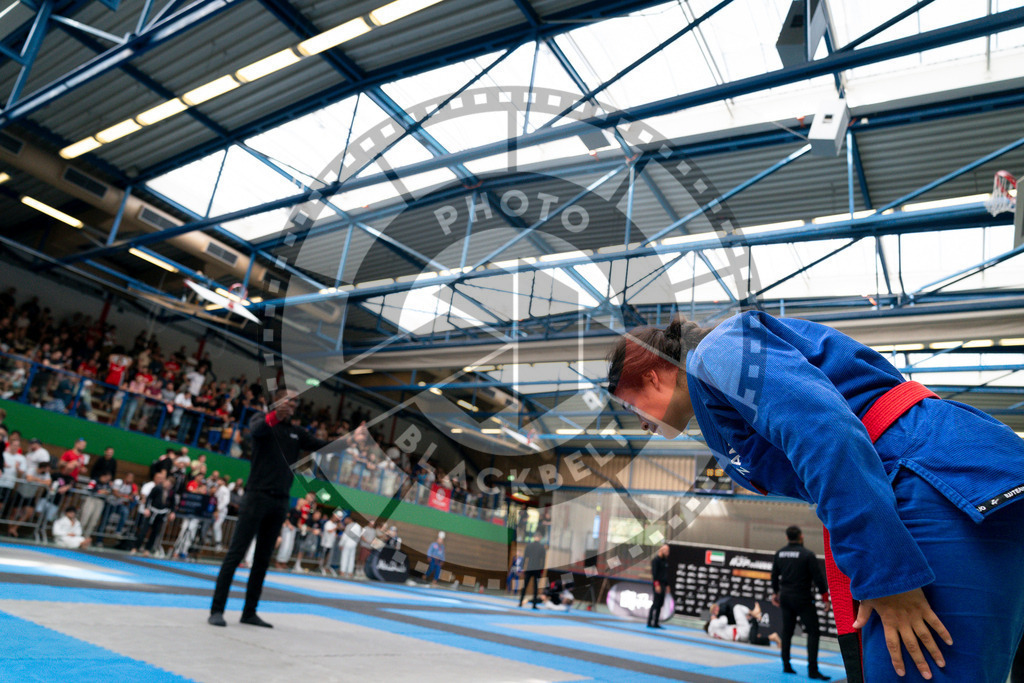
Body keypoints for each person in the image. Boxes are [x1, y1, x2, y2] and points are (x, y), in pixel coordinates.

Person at [607, 312, 1024, 682]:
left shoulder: (719, 349)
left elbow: (824, 432)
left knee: (915, 664)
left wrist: (886, 574)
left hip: (935, 476)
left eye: (630, 406)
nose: (638, 423)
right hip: (958, 479)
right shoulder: (715, 403)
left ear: (651, 376)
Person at [208, 388, 366, 628]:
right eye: (288, 400)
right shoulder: (262, 421)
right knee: (236, 554)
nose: (292, 404)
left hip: (280, 500)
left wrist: (351, 440)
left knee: (263, 559)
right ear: (276, 401)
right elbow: (256, 431)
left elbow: (323, 446)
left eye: (295, 402)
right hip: (256, 496)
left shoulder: (296, 432)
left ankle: (249, 612)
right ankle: (217, 610)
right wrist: (274, 416)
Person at [771, 526, 829, 679]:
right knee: (813, 632)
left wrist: (775, 593)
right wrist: (825, 598)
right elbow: (818, 578)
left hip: (786, 597)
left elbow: (774, 576)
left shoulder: (780, 553)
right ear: (801, 536)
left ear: (787, 537)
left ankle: (786, 665)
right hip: (802, 598)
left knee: (787, 632)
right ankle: (813, 670)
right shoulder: (807, 554)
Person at [706, 601, 781, 647]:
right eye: (714, 611)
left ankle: (754, 614)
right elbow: (724, 621)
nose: (716, 611)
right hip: (741, 632)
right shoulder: (714, 622)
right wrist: (715, 618)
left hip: (740, 635)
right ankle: (754, 613)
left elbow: (726, 621)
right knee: (737, 607)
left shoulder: (712, 632)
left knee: (754, 639)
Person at [518, 533, 546, 608]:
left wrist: (522, 568)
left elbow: (525, 557)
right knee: (535, 587)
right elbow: (543, 561)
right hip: (537, 569)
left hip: (529, 568)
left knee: (525, 586)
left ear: (534, 537)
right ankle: (534, 605)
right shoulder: (542, 547)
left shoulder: (529, 546)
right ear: (540, 538)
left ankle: (520, 602)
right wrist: (541, 571)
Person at [648, 543, 670, 629]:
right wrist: (656, 585)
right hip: (657, 584)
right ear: (661, 550)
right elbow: (654, 574)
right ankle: (650, 621)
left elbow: (665, 574)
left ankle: (656, 622)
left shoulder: (665, 561)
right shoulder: (655, 560)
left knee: (660, 604)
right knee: (656, 603)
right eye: (666, 550)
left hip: (663, 584)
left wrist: (667, 585)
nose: (667, 552)